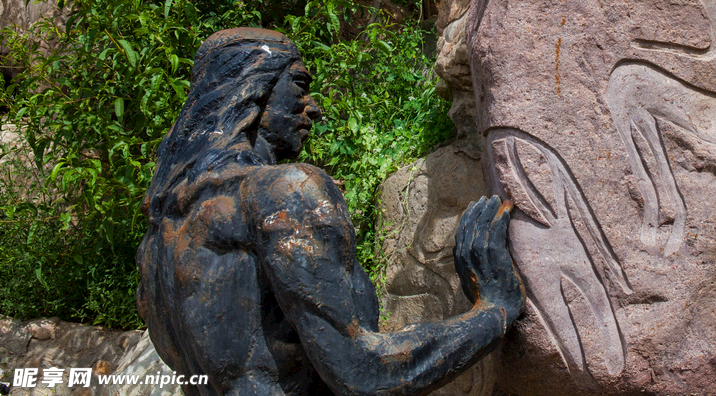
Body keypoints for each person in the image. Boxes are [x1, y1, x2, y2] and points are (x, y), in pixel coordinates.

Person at [137, 28, 524, 396]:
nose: (314, 108)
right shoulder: (283, 191)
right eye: (300, 86)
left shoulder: (160, 237)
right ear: (251, 91)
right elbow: (363, 375)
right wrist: (493, 311)